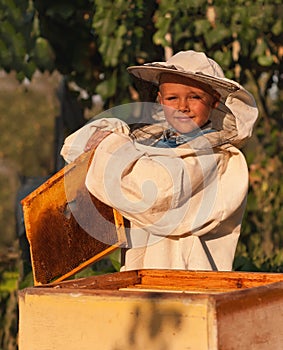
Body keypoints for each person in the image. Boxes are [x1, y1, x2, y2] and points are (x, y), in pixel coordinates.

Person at [61, 50, 258, 272]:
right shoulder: (151, 144)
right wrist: (109, 134)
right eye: (172, 98)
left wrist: (110, 146)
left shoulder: (215, 157)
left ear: (214, 102)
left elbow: (157, 192)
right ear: (160, 101)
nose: (182, 106)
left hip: (189, 279)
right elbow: (74, 147)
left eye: (195, 97)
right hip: (142, 282)